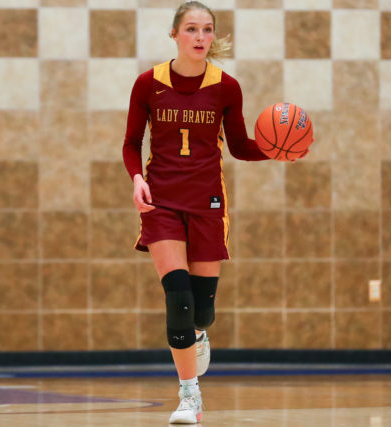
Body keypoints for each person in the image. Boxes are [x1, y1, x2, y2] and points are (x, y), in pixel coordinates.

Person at [122, 1, 269, 423]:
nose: (200, 37)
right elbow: (131, 142)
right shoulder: (148, 83)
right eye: (191, 29)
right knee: (179, 300)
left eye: (206, 29)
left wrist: (275, 150)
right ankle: (190, 396)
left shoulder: (226, 87)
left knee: (202, 311)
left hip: (207, 203)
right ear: (174, 35)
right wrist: (137, 178)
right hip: (162, 202)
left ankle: (200, 334)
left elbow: (239, 146)